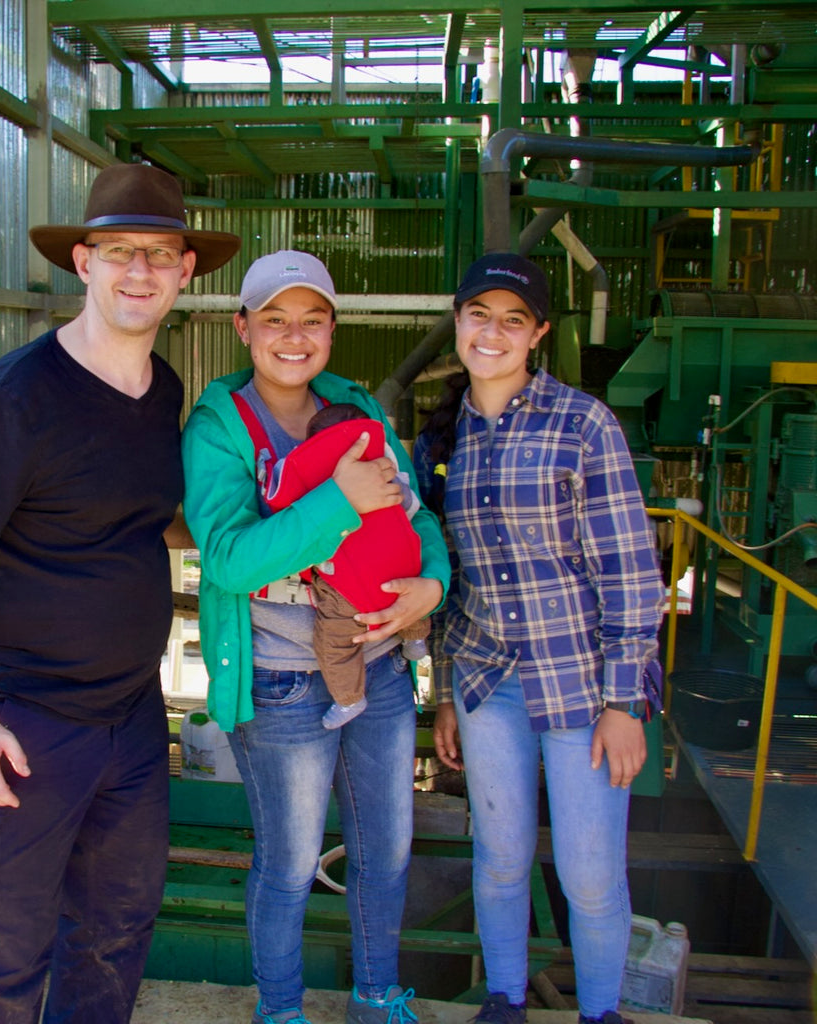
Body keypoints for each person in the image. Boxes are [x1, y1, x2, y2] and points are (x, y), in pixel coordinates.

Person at [0, 162, 240, 1024]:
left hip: (130, 720)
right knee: (5, 954)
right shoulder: (18, 399)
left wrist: (272, 543)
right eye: (121, 251)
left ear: (186, 272)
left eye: (160, 254)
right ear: (85, 262)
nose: (141, 271)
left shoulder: (160, 390)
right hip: (28, 725)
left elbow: (138, 518)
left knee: (115, 931)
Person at [181, 250, 451, 1024]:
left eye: (311, 320)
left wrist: (433, 582)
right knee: (292, 862)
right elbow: (230, 560)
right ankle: (281, 1009)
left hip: (383, 668)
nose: (293, 337)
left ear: (332, 330)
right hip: (281, 681)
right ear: (243, 328)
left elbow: (417, 515)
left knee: (385, 853)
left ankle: (376, 996)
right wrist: (338, 500)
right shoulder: (218, 431)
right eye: (274, 320)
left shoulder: (356, 407)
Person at [412, 252, 666, 1024]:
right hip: (489, 681)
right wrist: (449, 693)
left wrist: (626, 700)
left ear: (539, 334)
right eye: (478, 315)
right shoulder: (443, 437)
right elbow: (450, 579)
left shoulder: (583, 425)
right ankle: (504, 1000)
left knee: (590, 873)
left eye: (512, 320)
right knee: (500, 859)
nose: (492, 332)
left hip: (584, 686)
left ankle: (600, 1012)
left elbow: (632, 573)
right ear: (458, 323)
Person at [256, 400, 431, 729]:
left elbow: (276, 498)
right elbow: (412, 504)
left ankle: (349, 698)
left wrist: (268, 469)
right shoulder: (382, 458)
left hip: (350, 587)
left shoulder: (307, 466)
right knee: (411, 595)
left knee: (335, 642)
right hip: (400, 565)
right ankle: (416, 638)